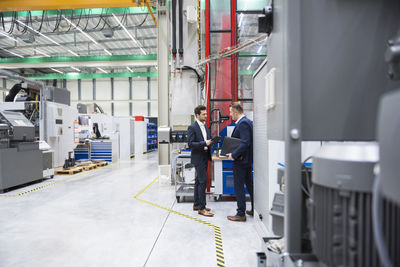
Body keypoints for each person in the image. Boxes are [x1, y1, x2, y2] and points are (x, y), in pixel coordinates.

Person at [227, 102, 254, 222]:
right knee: (250, 185)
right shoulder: (247, 122)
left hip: (241, 161)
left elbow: (245, 142)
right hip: (247, 161)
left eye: (231, 112)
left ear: (236, 112)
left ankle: (240, 214)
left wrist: (233, 154)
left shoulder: (243, 123)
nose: (230, 114)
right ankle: (254, 209)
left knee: (239, 186)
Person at [187, 105, 214, 217]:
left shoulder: (206, 126)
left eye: (206, 114)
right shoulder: (192, 127)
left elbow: (206, 139)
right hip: (198, 157)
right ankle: (202, 209)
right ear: (197, 115)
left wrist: (211, 141)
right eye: (204, 114)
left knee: (198, 181)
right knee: (203, 182)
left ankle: (196, 204)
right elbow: (190, 144)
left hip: (205, 156)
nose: (206, 115)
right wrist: (204, 143)